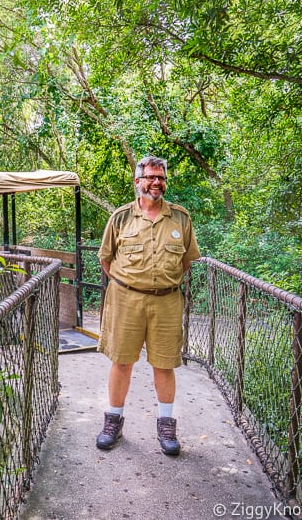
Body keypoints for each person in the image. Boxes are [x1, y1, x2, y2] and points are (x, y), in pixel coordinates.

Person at [95, 155, 201, 455]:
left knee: (164, 363)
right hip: (125, 299)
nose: (157, 182)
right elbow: (105, 258)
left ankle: (166, 424)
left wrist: (163, 282)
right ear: (138, 181)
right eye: (151, 177)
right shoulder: (120, 217)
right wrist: (129, 283)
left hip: (167, 301)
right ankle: (113, 420)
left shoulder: (181, 218)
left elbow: (186, 261)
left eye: (161, 177)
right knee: (122, 360)